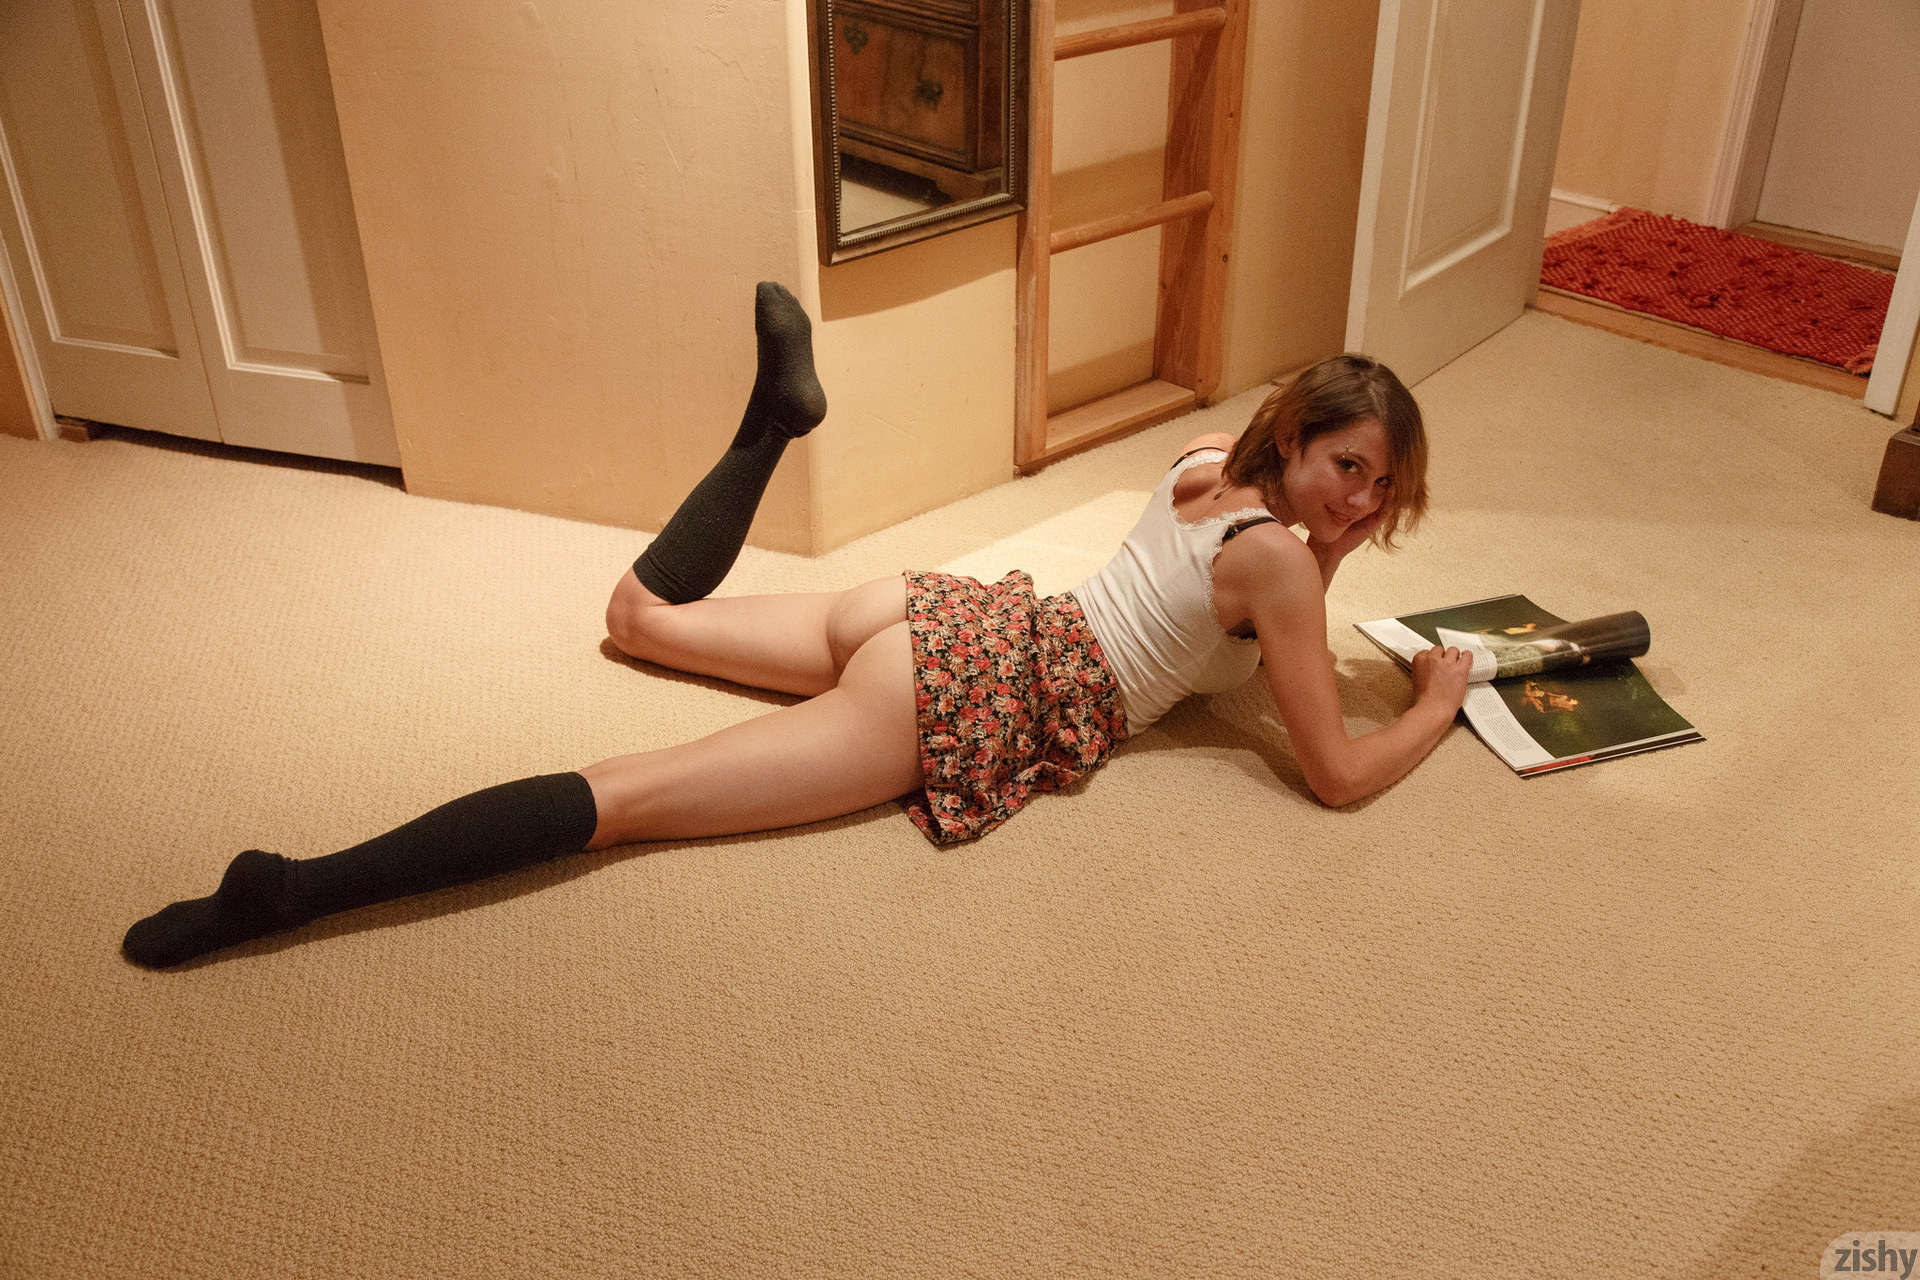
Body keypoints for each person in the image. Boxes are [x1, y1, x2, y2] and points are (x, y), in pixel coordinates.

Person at [122, 282, 1473, 969]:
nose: (1360, 505)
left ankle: (774, 422)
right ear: (1301, 439)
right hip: (954, 697)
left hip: (934, 615)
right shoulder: (1283, 575)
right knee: (629, 798)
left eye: (1381, 489)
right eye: (1348, 471)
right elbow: (1335, 774)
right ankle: (294, 891)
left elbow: (1235, 598)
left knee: (639, 616)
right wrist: (1431, 699)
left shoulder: (1205, 464)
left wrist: (1323, 547)